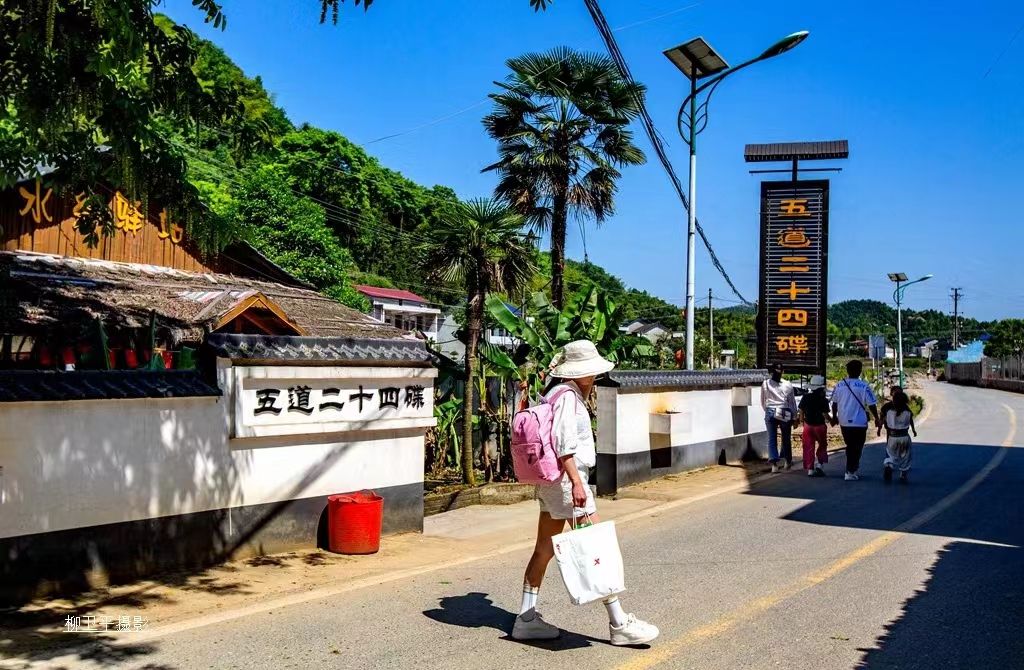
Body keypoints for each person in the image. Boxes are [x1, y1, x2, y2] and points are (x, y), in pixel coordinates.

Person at [512, 340, 659, 646]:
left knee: (544, 549)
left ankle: (526, 619)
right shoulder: (568, 397)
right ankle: (619, 623)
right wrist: (577, 483)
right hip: (568, 482)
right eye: (591, 373)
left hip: (553, 484)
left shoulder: (553, 393)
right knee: (595, 548)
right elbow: (564, 443)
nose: (593, 377)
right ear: (581, 373)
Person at [830, 360, 880, 481]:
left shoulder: (839, 385)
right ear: (859, 371)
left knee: (850, 445)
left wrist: (835, 417)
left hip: (844, 421)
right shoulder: (864, 386)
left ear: (847, 371)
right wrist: (877, 418)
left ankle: (851, 468)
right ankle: (851, 470)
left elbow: (834, 403)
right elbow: (871, 404)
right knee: (857, 447)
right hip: (860, 422)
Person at [761, 363, 797, 473]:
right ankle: (787, 461)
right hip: (783, 411)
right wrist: (794, 417)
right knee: (786, 437)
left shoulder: (765, 383)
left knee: (772, 438)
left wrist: (768, 411)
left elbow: (763, 401)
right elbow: (792, 403)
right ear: (783, 372)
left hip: (770, 410)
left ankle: (774, 465)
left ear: (771, 371)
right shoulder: (787, 384)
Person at [878, 389, 917, 483]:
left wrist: (879, 428)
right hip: (904, 437)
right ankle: (903, 474)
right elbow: (910, 421)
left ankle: (889, 466)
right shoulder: (908, 413)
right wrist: (914, 431)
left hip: (892, 437)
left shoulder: (889, 412)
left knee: (890, 454)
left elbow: (882, 421)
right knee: (905, 456)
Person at [798, 375, 831, 477]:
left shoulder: (806, 397)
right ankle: (819, 465)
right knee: (822, 445)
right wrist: (833, 421)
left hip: (808, 426)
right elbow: (826, 415)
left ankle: (810, 469)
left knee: (808, 447)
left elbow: (801, 411)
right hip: (820, 426)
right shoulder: (823, 400)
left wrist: (801, 421)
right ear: (821, 388)